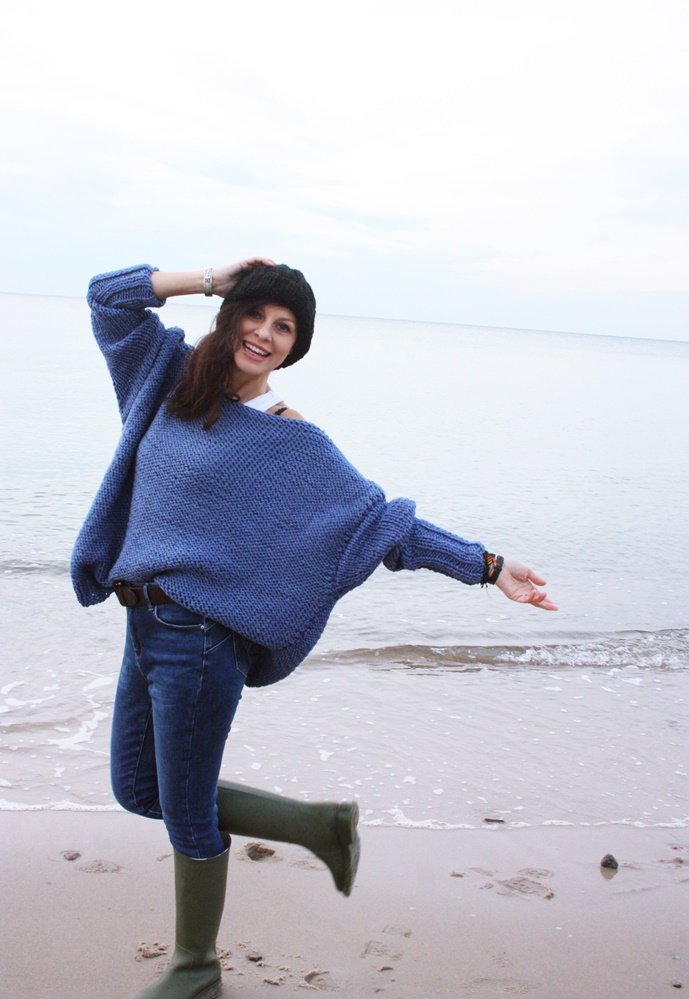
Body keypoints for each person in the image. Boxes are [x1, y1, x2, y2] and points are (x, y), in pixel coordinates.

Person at [71, 259, 557, 999]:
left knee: (186, 811)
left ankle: (195, 968)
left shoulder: (293, 441)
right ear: (231, 314)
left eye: (284, 327)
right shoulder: (166, 378)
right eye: (255, 314)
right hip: (143, 623)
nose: (264, 334)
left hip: (201, 642)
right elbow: (108, 299)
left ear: (295, 347)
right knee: (139, 788)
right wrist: (210, 276)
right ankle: (318, 827)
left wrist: (488, 566)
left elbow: (380, 527)